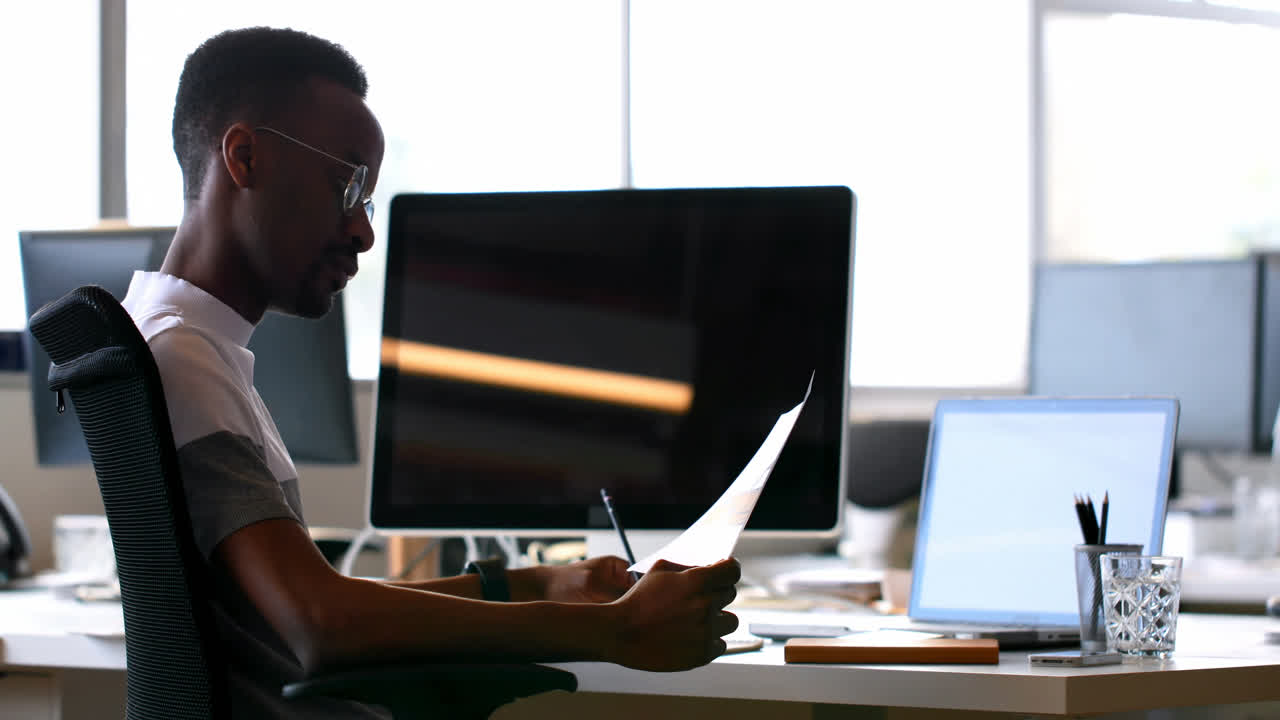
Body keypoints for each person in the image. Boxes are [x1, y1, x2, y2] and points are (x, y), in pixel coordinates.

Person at [121, 26, 740, 719]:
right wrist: (613, 630)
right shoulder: (184, 359)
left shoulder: (173, 339)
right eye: (346, 183)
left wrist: (541, 586)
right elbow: (322, 624)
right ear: (244, 156)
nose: (363, 231)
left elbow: (319, 602)